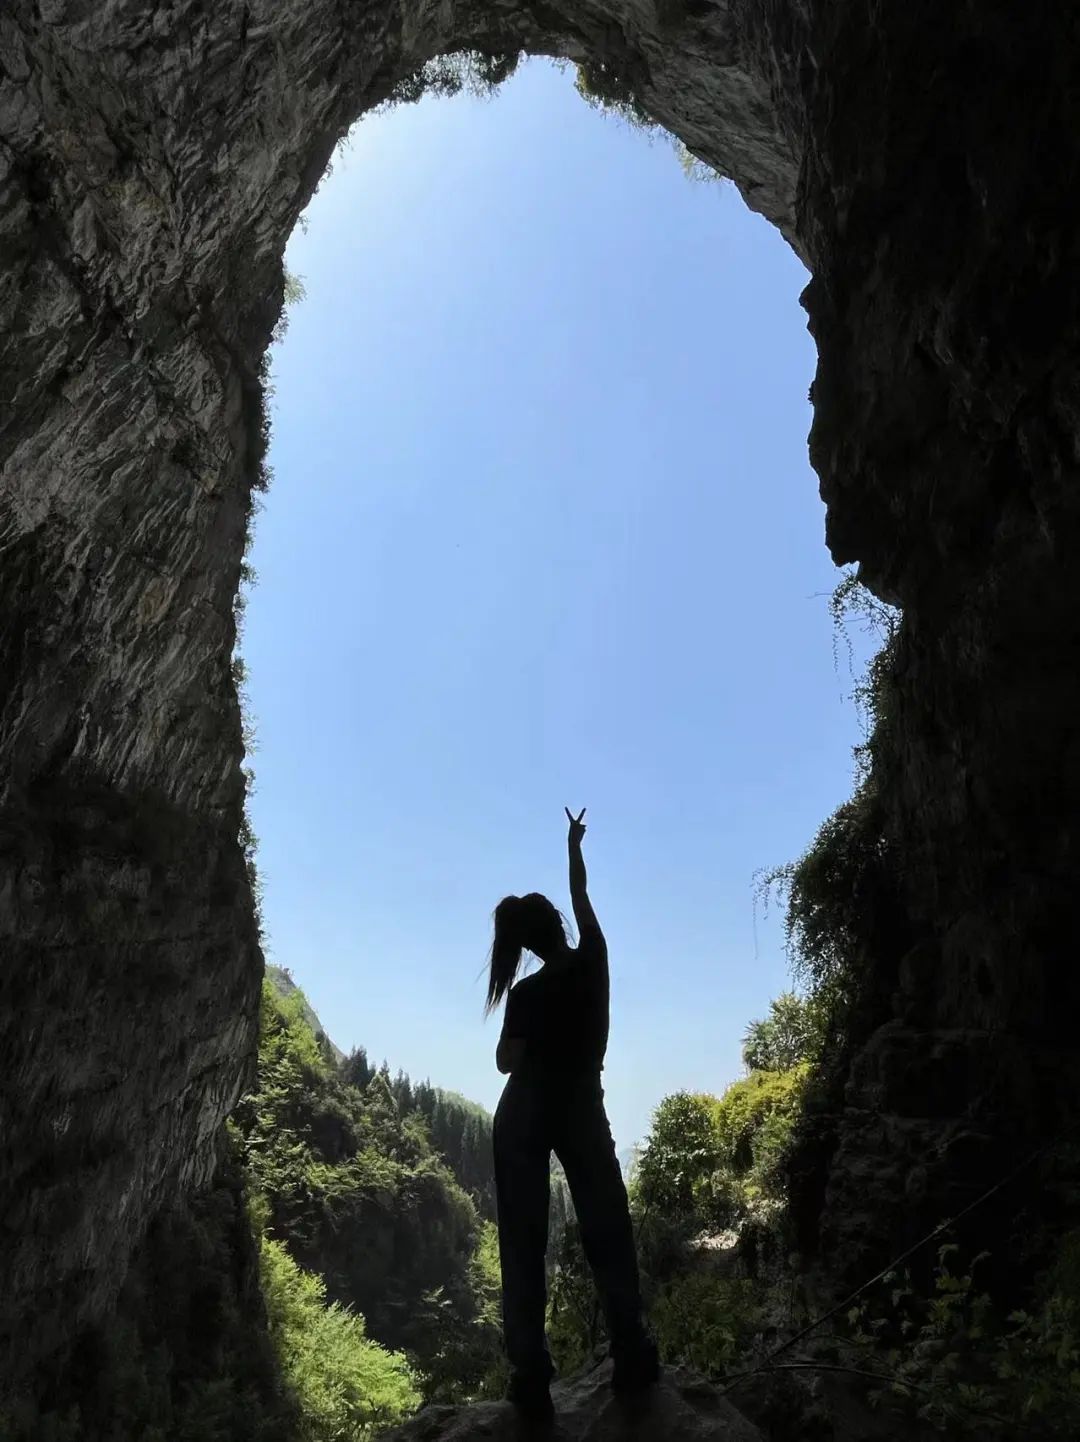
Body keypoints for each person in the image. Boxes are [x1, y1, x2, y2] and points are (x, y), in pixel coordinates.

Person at [487, 807, 659, 1421]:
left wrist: (522, 1041)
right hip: (583, 1105)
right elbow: (581, 894)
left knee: (523, 1241)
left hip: (524, 1116)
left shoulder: (526, 994)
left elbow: (506, 1063)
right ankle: (632, 1352)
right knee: (607, 1224)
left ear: (524, 944)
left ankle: (530, 1377)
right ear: (558, 924)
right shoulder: (594, 957)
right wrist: (573, 846)